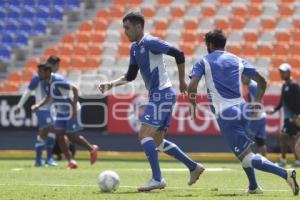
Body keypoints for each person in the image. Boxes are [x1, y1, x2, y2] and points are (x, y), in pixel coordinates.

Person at [98, 11, 204, 192]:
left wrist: (182, 81)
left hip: (162, 93)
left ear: (139, 27)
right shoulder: (134, 48)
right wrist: (111, 84)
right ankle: (193, 167)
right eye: (124, 28)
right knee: (156, 141)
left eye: (127, 27)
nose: (125, 32)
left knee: (144, 135)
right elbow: (131, 76)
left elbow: (179, 54)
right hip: (160, 94)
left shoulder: (150, 42)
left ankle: (157, 178)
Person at [187, 29, 299, 195]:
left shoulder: (203, 61)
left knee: (247, 157)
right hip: (242, 110)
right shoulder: (237, 60)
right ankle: (253, 186)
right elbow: (262, 81)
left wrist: (193, 105)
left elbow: (192, 86)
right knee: (244, 154)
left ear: (210, 44)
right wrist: (257, 103)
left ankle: (286, 174)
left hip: (226, 113)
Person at [31, 63, 99, 169]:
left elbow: (75, 89)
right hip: (61, 111)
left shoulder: (57, 80)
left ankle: (92, 148)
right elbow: (49, 96)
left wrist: (73, 110)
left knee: (71, 135)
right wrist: (38, 106)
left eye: (40, 71)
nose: (38, 73)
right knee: (59, 135)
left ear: (47, 72)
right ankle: (71, 161)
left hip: (71, 108)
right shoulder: (44, 82)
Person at [15, 59, 59, 167]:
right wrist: (19, 106)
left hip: (51, 109)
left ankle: (47, 159)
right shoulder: (37, 78)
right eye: (57, 65)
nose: (58, 67)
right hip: (41, 109)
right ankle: (39, 160)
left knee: (49, 132)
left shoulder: (53, 78)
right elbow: (28, 92)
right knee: (47, 130)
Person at [267, 63, 300, 166]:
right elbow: (282, 102)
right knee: (290, 139)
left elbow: (298, 101)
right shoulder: (285, 85)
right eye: (280, 72)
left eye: (283, 72)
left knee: (284, 136)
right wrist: (275, 109)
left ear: (289, 72)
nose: (281, 74)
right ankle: (294, 160)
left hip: (292, 117)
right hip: (288, 117)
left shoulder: (294, 85)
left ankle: (285, 160)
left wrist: (297, 114)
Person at [242, 75, 267, 156]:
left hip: (257, 117)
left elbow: (259, 100)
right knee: (259, 140)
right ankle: (264, 160)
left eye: (243, 77)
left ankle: (250, 157)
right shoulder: (252, 85)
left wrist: (254, 114)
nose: (242, 79)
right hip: (259, 116)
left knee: (252, 138)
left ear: (248, 77)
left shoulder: (252, 86)